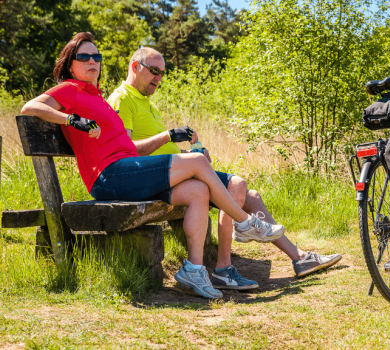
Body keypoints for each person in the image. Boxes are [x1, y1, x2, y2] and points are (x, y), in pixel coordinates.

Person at [20, 32, 285, 300]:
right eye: (84, 57)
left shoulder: (97, 98)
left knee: (197, 190)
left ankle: (194, 269)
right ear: (70, 65)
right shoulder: (70, 90)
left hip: (128, 169)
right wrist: (70, 119)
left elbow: (129, 147)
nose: (92, 62)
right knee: (195, 161)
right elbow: (30, 106)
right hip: (109, 177)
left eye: (96, 57)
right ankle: (245, 223)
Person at [106, 47, 342, 288]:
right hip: (155, 180)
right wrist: (169, 136)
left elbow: (159, 151)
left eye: (162, 73)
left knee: (251, 196)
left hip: (174, 172)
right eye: (154, 71)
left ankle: (299, 258)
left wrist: (190, 154)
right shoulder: (122, 99)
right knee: (236, 186)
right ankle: (224, 267)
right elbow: (129, 152)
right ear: (135, 67)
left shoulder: (145, 101)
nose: (159, 78)